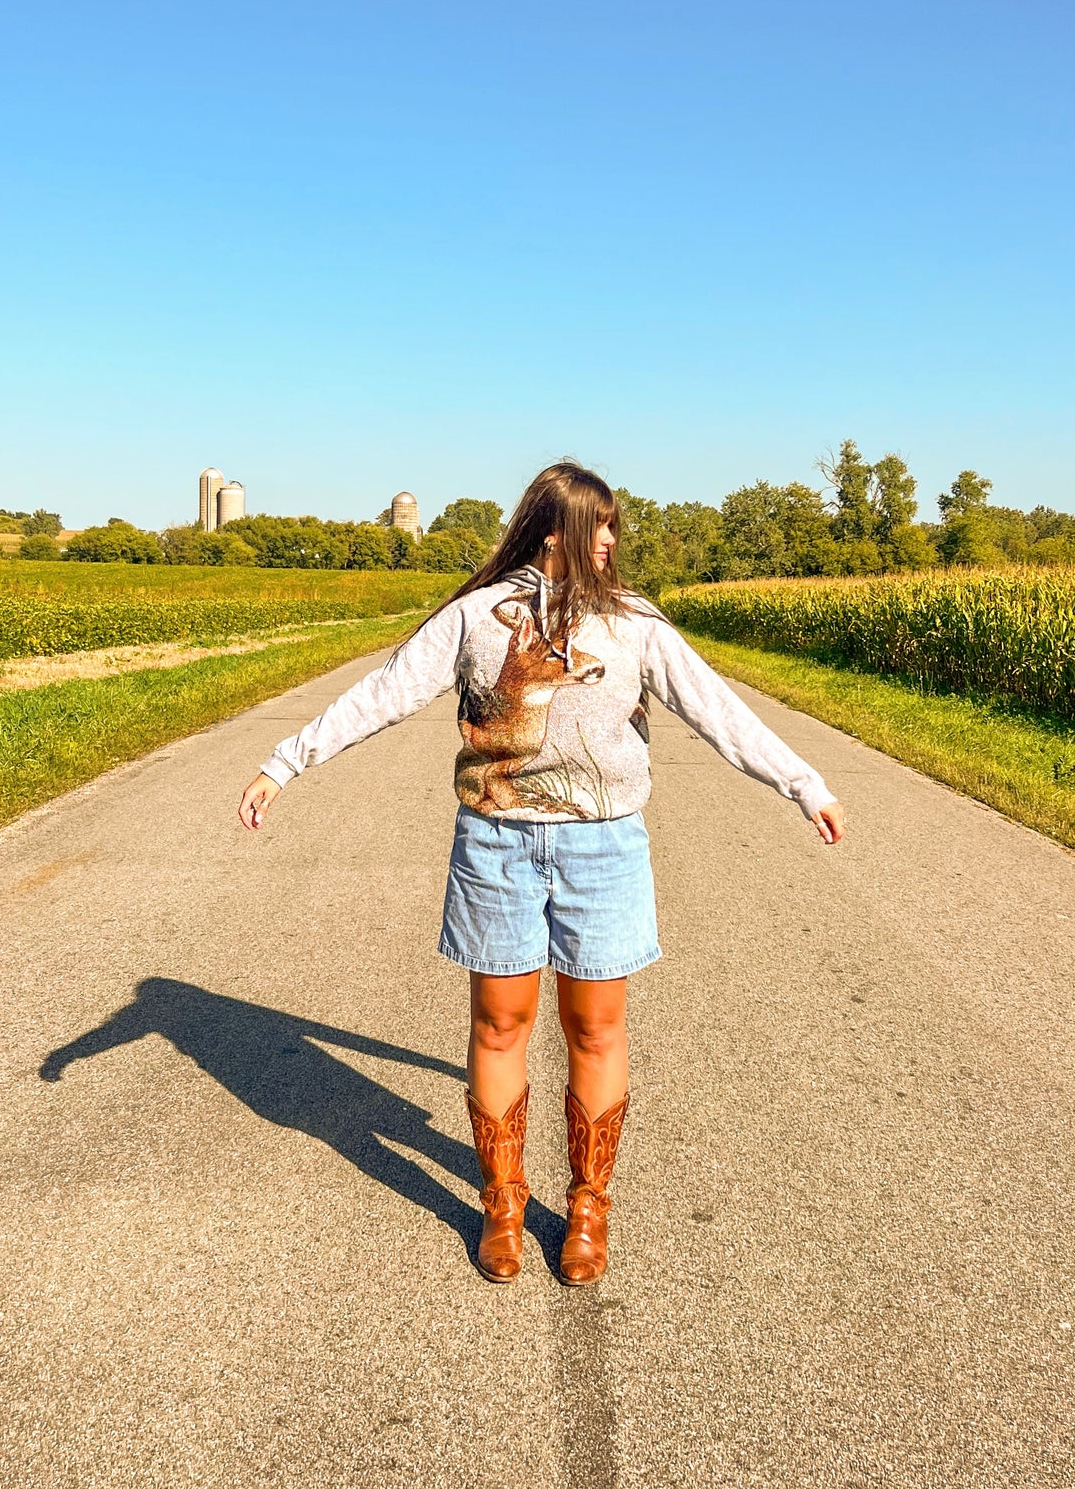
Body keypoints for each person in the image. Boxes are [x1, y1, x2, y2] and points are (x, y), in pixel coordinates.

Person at [238, 462, 844, 1286]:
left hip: (603, 848)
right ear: (552, 529)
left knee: (594, 1026)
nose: (608, 539)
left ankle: (587, 1207)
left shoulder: (633, 625)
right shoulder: (474, 618)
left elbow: (717, 710)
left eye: (613, 526)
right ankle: (503, 1202)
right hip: (496, 846)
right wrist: (285, 761)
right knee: (498, 1023)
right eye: (595, 524)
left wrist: (802, 783)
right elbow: (380, 694)